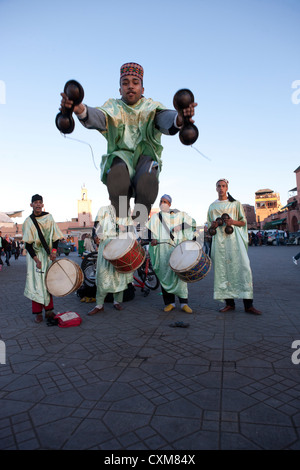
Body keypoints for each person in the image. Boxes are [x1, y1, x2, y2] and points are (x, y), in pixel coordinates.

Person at [60, 62, 197, 226]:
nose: (130, 86)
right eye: (125, 83)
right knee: (117, 176)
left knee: (147, 182)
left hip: (146, 156)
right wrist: (79, 108)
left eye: (135, 82)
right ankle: (122, 219)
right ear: (120, 90)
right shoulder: (114, 107)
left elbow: (165, 119)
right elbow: (99, 117)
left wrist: (180, 118)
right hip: (121, 157)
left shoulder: (151, 108)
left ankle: (140, 219)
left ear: (143, 89)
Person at [207, 179, 262, 315]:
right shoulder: (212, 206)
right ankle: (229, 304)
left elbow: (243, 222)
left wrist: (232, 222)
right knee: (223, 271)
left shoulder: (235, 204)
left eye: (223, 186)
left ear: (227, 188)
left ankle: (248, 305)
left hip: (235, 242)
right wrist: (213, 226)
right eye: (219, 186)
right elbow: (209, 227)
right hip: (220, 245)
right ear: (216, 188)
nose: (221, 188)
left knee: (244, 269)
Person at [146, 194, 196, 313]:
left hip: (176, 250)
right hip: (162, 252)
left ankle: (184, 303)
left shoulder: (178, 216)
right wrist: (151, 239)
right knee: (165, 276)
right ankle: (170, 303)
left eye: (165, 202)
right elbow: (149, 231)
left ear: (170, 204)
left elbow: (191, 223)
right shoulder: (155, 217)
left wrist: (180, 226)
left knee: (180, 275)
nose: (163, 203)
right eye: (161, 201)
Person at [22, 194, 63, 323]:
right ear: (31, 205)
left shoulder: (49, 218)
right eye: (35, 202)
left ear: (42, 205)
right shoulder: (28, 222)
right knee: (36, 284)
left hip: (48, 256)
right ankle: (38, 313)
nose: (38, 204)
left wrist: (54, 252)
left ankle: (49, 310)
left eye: (40, 202)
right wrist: (36, 260)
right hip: (35, 256)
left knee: (48, 282)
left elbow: (56, 237)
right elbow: (28, 245)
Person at [87, 203, 134, 316]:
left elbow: (131, 228)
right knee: (102, 275)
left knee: (119, 275)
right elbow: (96, 226)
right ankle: (99, 305)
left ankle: (117, 302)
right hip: (105, 245)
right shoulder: (103, 209)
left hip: (120, 245)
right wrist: (95, 236)